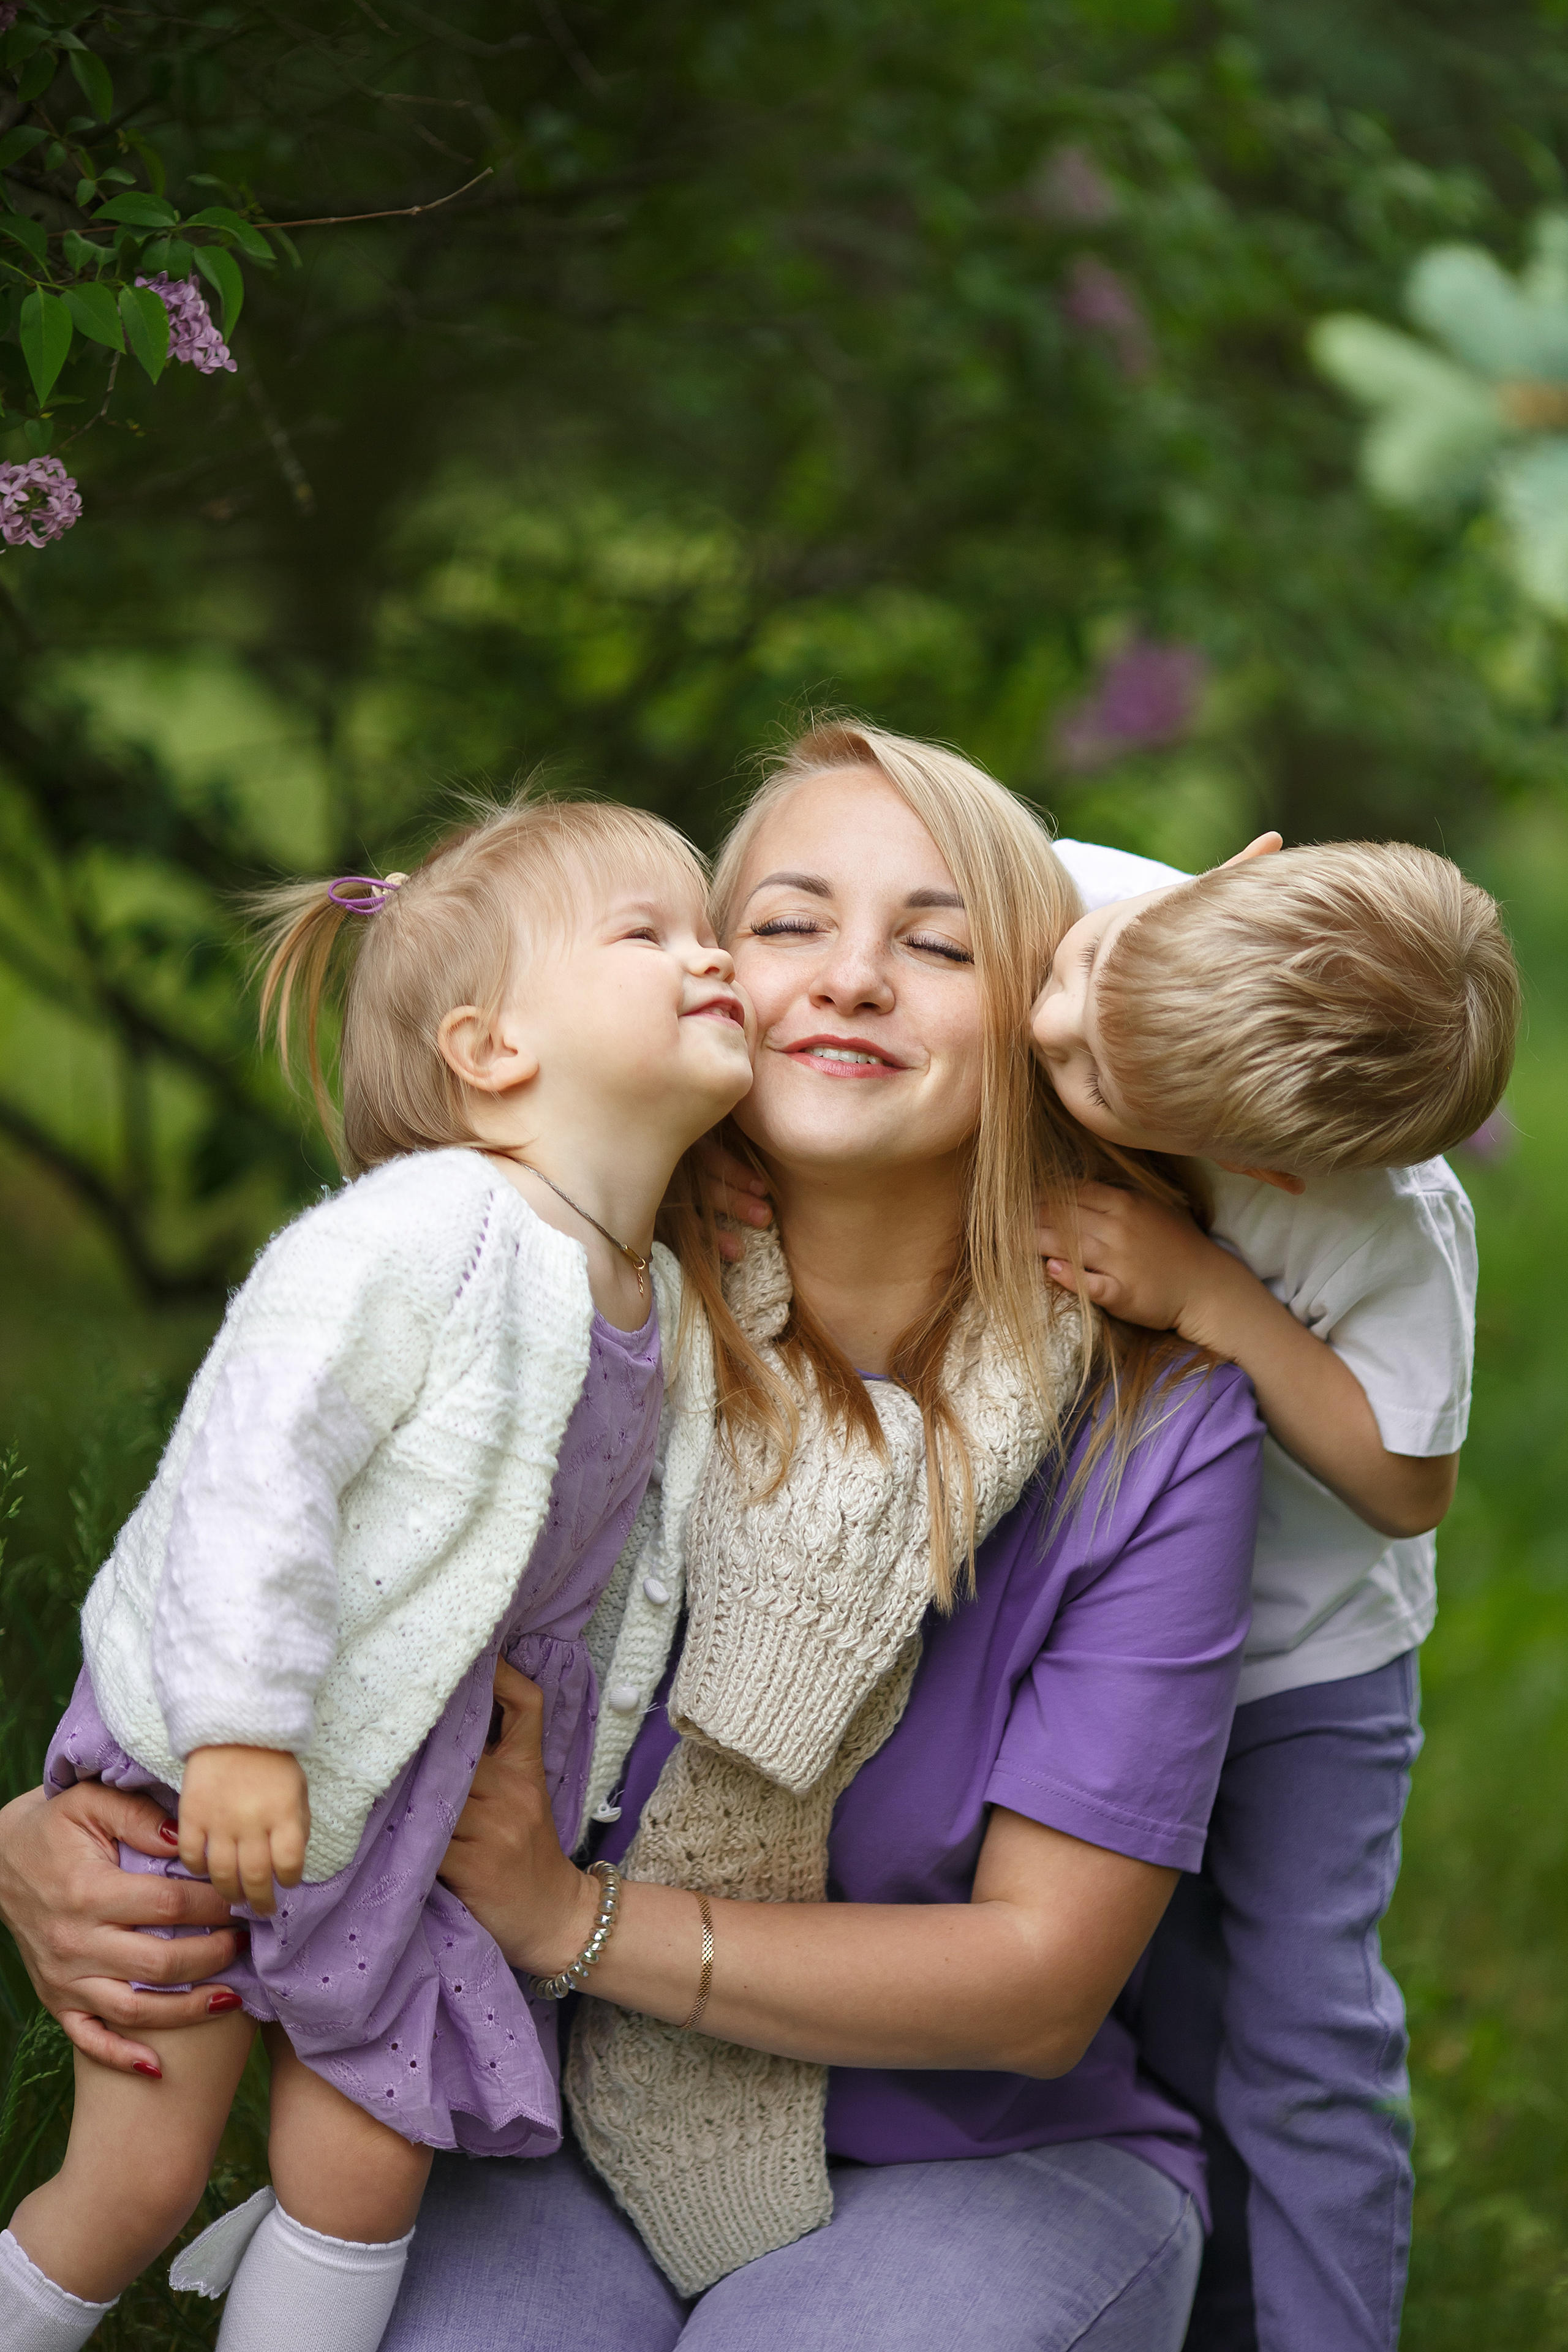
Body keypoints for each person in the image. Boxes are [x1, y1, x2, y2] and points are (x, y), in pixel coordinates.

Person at [0, 722, 1264, 2352]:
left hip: (985, 2148)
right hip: (553, 2113)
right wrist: (56, 1824)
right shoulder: (571, 1310)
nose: (855, 979)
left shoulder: (1150, 1429)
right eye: (787, 924)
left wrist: (565, 1917)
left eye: (939, 943)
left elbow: (1037, 1989)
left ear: (1029, 1020)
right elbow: (310, 1558)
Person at [0, 794, 755, 2352]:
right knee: (138, 2173)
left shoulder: (660, 1288)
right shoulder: (421, 1235)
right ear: (491, 1052)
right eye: (651, 934)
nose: (714, 956)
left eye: (711, 927)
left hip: (416, 1818)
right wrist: (238, 1728)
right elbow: (251, 1462)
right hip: (230, 1770)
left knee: (363, 2171)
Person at [1025, 832, 1520, 2352]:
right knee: (1152, 2014)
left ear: (1260, 1169)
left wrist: (1210, 1297)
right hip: (1101, 1644)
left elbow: (1402, 1483)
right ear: (1223, 872)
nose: (1049, 1026)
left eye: (1099, 1079)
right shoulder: (1083, 899)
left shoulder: (1381, 1224)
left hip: (1302, 1674)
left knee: (1295, 2036)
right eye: (1085, 978)